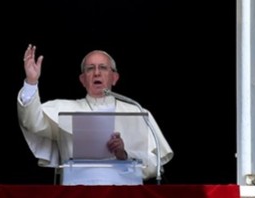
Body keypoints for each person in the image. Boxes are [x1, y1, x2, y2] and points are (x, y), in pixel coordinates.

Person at [17, 44, 173, 184]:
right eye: (90, 69)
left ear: (115, 78)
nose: (97, 73)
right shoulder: (63, 109)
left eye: (103, 68)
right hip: (76, 196)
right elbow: (32, 122)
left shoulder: (136, 111)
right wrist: (31, 82)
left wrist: (125, 154)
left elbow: (155, 164)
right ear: (83, 80)